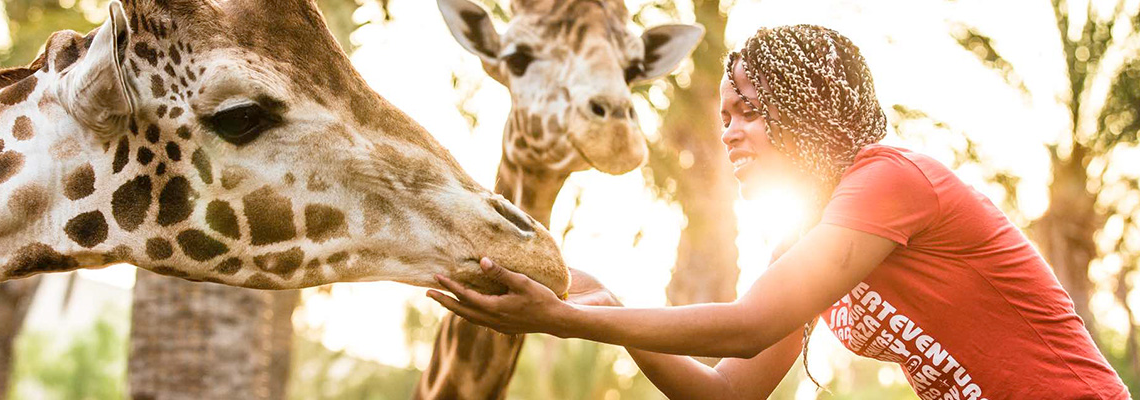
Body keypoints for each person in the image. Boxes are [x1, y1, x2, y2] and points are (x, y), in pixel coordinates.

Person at [427, 24, 1129, 399]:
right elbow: (729, 396)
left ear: (807, 112)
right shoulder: (804, 242)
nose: (728, 131)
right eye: (724, 116)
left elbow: (747, 325)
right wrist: (605, 303)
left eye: (751, 113)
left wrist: (566, 320)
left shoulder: (893, 180)